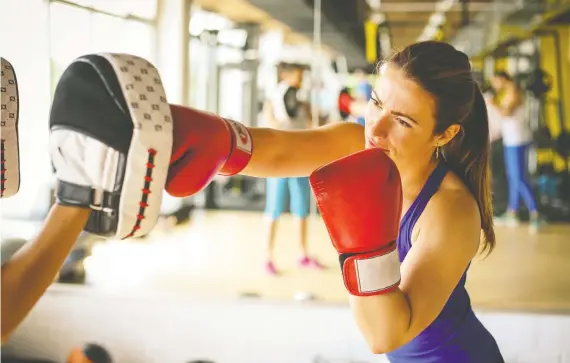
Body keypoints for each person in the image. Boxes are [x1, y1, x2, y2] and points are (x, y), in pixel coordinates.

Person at [165, 40, 505, 362]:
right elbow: (279, 151)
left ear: (444, 134)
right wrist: (216, 139)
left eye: (402, 121)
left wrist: (361, 245)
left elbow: (386, 334)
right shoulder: (359, 143)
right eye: (376, 102)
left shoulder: (450, 210)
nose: (376, 129)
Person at [260, 63, 324, 275]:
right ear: (286, 75)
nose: (302, 79)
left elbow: (311, 128)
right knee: (273, 209)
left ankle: (302, 254)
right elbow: (272, 127)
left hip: (300, 162)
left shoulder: (303, 103)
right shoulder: (272, 101)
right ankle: (268, 257)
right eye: (299, 75)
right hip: (278, 162)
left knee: (301, 209)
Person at [487, 71, 542, 233]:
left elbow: (506, 112)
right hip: (511, 139)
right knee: (512, 177)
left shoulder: (514, 91)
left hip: (518, 140)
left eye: (495, 81)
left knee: (518, 177)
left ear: (501, 79)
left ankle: (535, 211)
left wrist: (492, 103)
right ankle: (513, 211)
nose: (495, 85)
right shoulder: (507, 92)